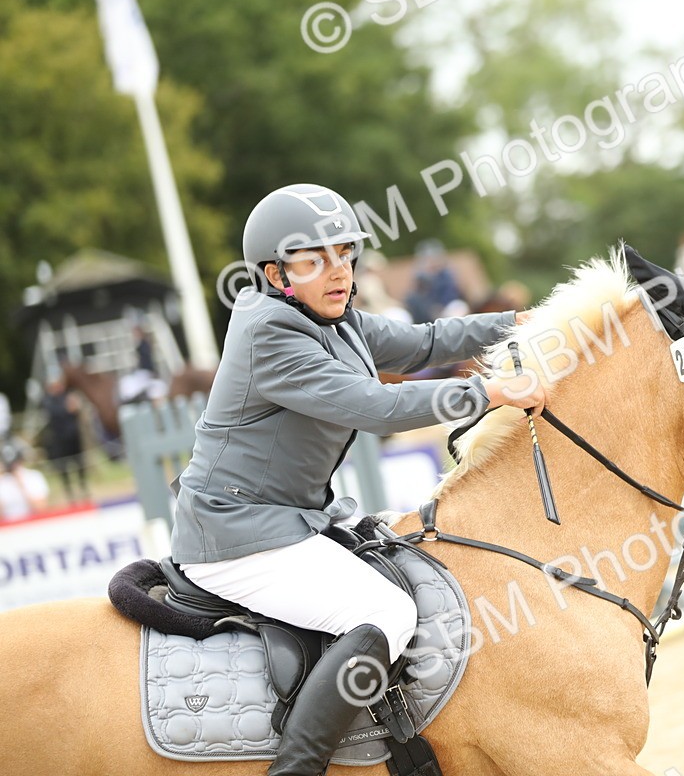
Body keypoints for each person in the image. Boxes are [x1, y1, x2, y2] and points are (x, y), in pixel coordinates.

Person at [170, 183, 545, 776]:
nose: (339, 270)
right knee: (386, 613)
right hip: (237, 538)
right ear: (275, 274)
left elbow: (422, 343)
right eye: (315, 260)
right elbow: (374, 407)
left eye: (345, 253)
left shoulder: (333, 318)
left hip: (288, 521)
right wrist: (489, 392)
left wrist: (519, 322)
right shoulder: (270, 332)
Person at [40, 372, 89, 504]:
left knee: (80, 465)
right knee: (64, 468)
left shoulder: (67, 395)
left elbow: (76, 411)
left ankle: (83, 489)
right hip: (60, 440)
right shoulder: (48, 400)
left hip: (73, 437)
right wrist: (68, 408)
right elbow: (56, 414)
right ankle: (70, 494)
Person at [0, 442, 50, 523]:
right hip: (9, 528)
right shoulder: (2, 482)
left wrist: (21, 485)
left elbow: (42, 509)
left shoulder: (33, 476)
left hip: (33, 523)